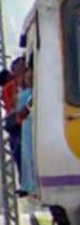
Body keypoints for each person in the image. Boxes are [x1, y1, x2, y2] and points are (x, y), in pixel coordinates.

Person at [16, 65, 34, 197]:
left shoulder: (34, 94)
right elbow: (19, 112)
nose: (29, 80)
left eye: (31, 78)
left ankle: (31, 184)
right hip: (27, 126)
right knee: (27, 156)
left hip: (33, 125)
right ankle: (28, 184)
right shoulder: (25, 94)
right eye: (28, 78)